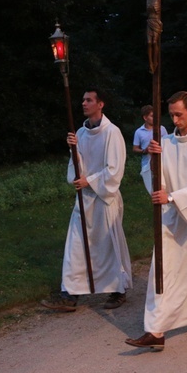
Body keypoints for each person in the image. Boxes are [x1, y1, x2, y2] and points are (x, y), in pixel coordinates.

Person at [125, 91, 187, 350]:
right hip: (172, 218)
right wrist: (152, 157)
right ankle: (156, 330)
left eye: (179, 114)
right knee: (162, 271)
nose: (174, 119)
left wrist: (171, 197)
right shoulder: (167, 143)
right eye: (171, 114)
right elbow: (156, 181)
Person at [41, 89, 132, 312]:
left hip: (104, 198)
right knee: (76, 245)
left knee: (107, 245)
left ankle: (118, 290)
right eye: (82, 100)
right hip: (84, 198)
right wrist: (74, 150)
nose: (83, 103)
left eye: (89, 100)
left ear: (101, 104)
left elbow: (114, 170)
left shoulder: (112, 133)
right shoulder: (80, 134)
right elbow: (76, 169)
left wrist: (89, 181)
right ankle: (69, 294)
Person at [123, 0, 187, 74]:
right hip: (149, 21)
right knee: (149, 43)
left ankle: (156, 61)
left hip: (156, 21)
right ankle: (151, 63)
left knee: (154, 42)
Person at [132, 105, 168, 193]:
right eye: (152, 116)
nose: (155, 118)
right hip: (146, 164)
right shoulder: (139, 132)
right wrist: (145, 150)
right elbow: (135, 149)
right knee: (152, 190)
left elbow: (168, 145)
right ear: (145, 117)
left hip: (162, 162)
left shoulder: (162, 129)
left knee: (164, 188)